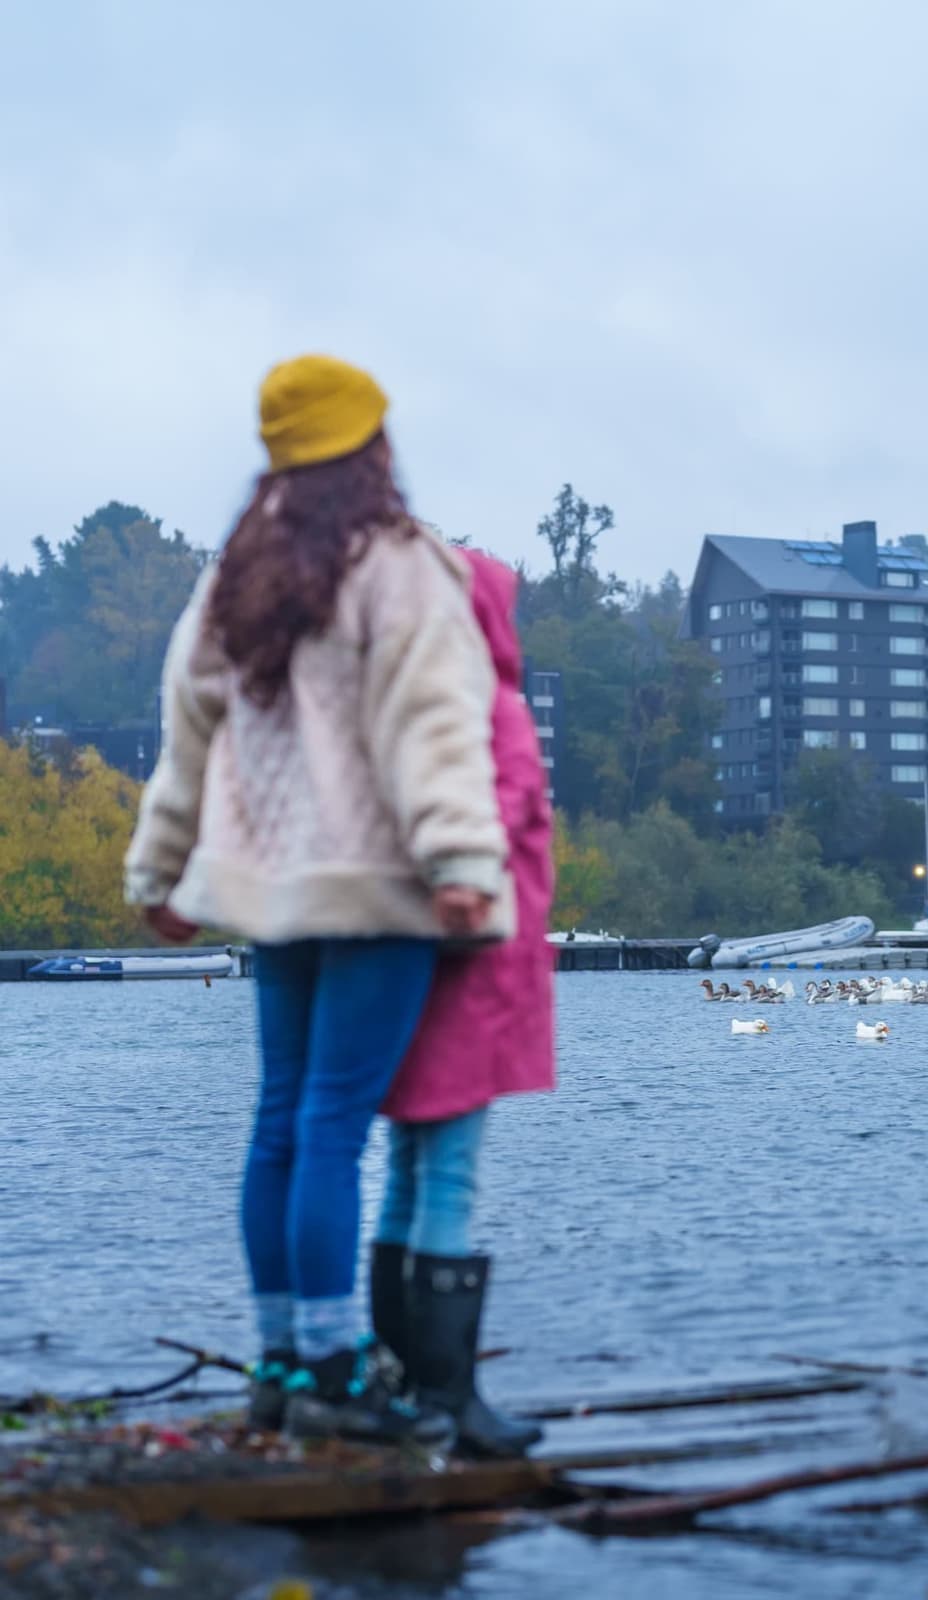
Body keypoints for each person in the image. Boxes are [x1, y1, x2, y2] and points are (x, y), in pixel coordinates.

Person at [124, 355, 510, 1445]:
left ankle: (280, 1358)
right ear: (370, 444)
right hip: (376, 885)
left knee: (281, 1121)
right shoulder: (399, 566)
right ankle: (336, 1376)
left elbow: (185, 736)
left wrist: (160, 872)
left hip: (273, 891)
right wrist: (463, 867)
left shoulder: (233, 576)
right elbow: (431, 730)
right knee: (335, 1127)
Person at [369, 549, 556, 1458]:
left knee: (407, 1170)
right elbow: (506, 816)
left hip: (418, 969)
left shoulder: (407, 709)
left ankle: (405, 1386)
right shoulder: (494, 708)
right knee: (448, 1176)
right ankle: (450, 1398)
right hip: (478, 974)